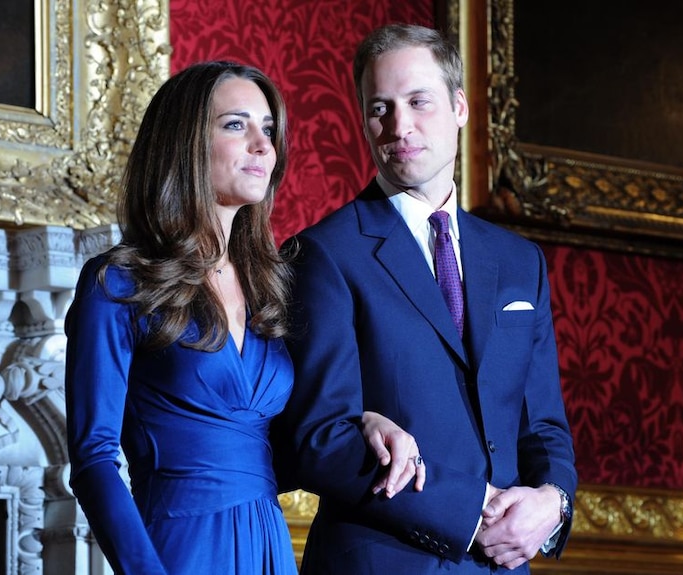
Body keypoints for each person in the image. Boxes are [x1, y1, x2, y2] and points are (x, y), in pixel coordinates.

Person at [64, 60, 423, 575]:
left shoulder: (273, 284)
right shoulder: (117, 282)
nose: (263, 145)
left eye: (268, 129)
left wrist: (364, 420)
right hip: (176, 548)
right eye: (237, 125)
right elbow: (94, 458)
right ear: (184, 142)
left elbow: (291, 441)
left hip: (268, 545)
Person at [279, 24, 578, 574]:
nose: (400, 126)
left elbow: (543, 428)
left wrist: (552, 503)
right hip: (380, 560)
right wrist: (470, 512)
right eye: (380, 109)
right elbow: (319, 438)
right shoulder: (323, 253)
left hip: (502, 565)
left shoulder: (519, 262)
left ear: (459, 106)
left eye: (419, 101)